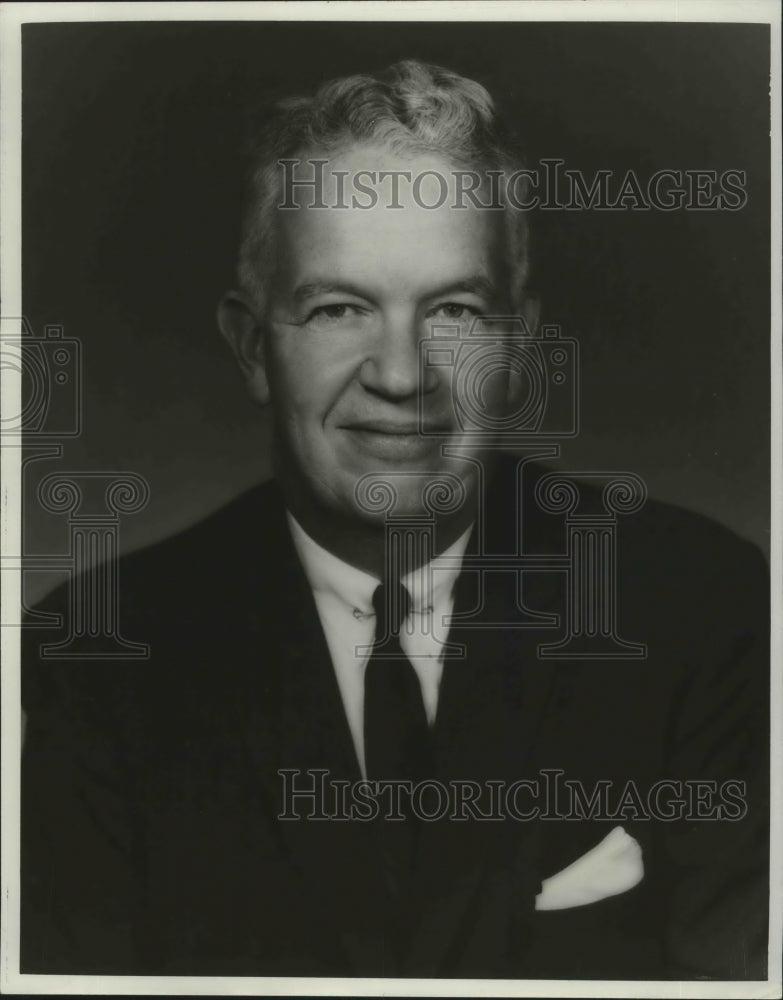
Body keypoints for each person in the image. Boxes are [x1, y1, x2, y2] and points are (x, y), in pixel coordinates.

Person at [20, 60, 769, 980]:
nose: (402, 374)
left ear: (518, 342)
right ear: (253, 347)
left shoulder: (707, 613)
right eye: (339, 308)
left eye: (454, 309)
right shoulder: (91, 664)